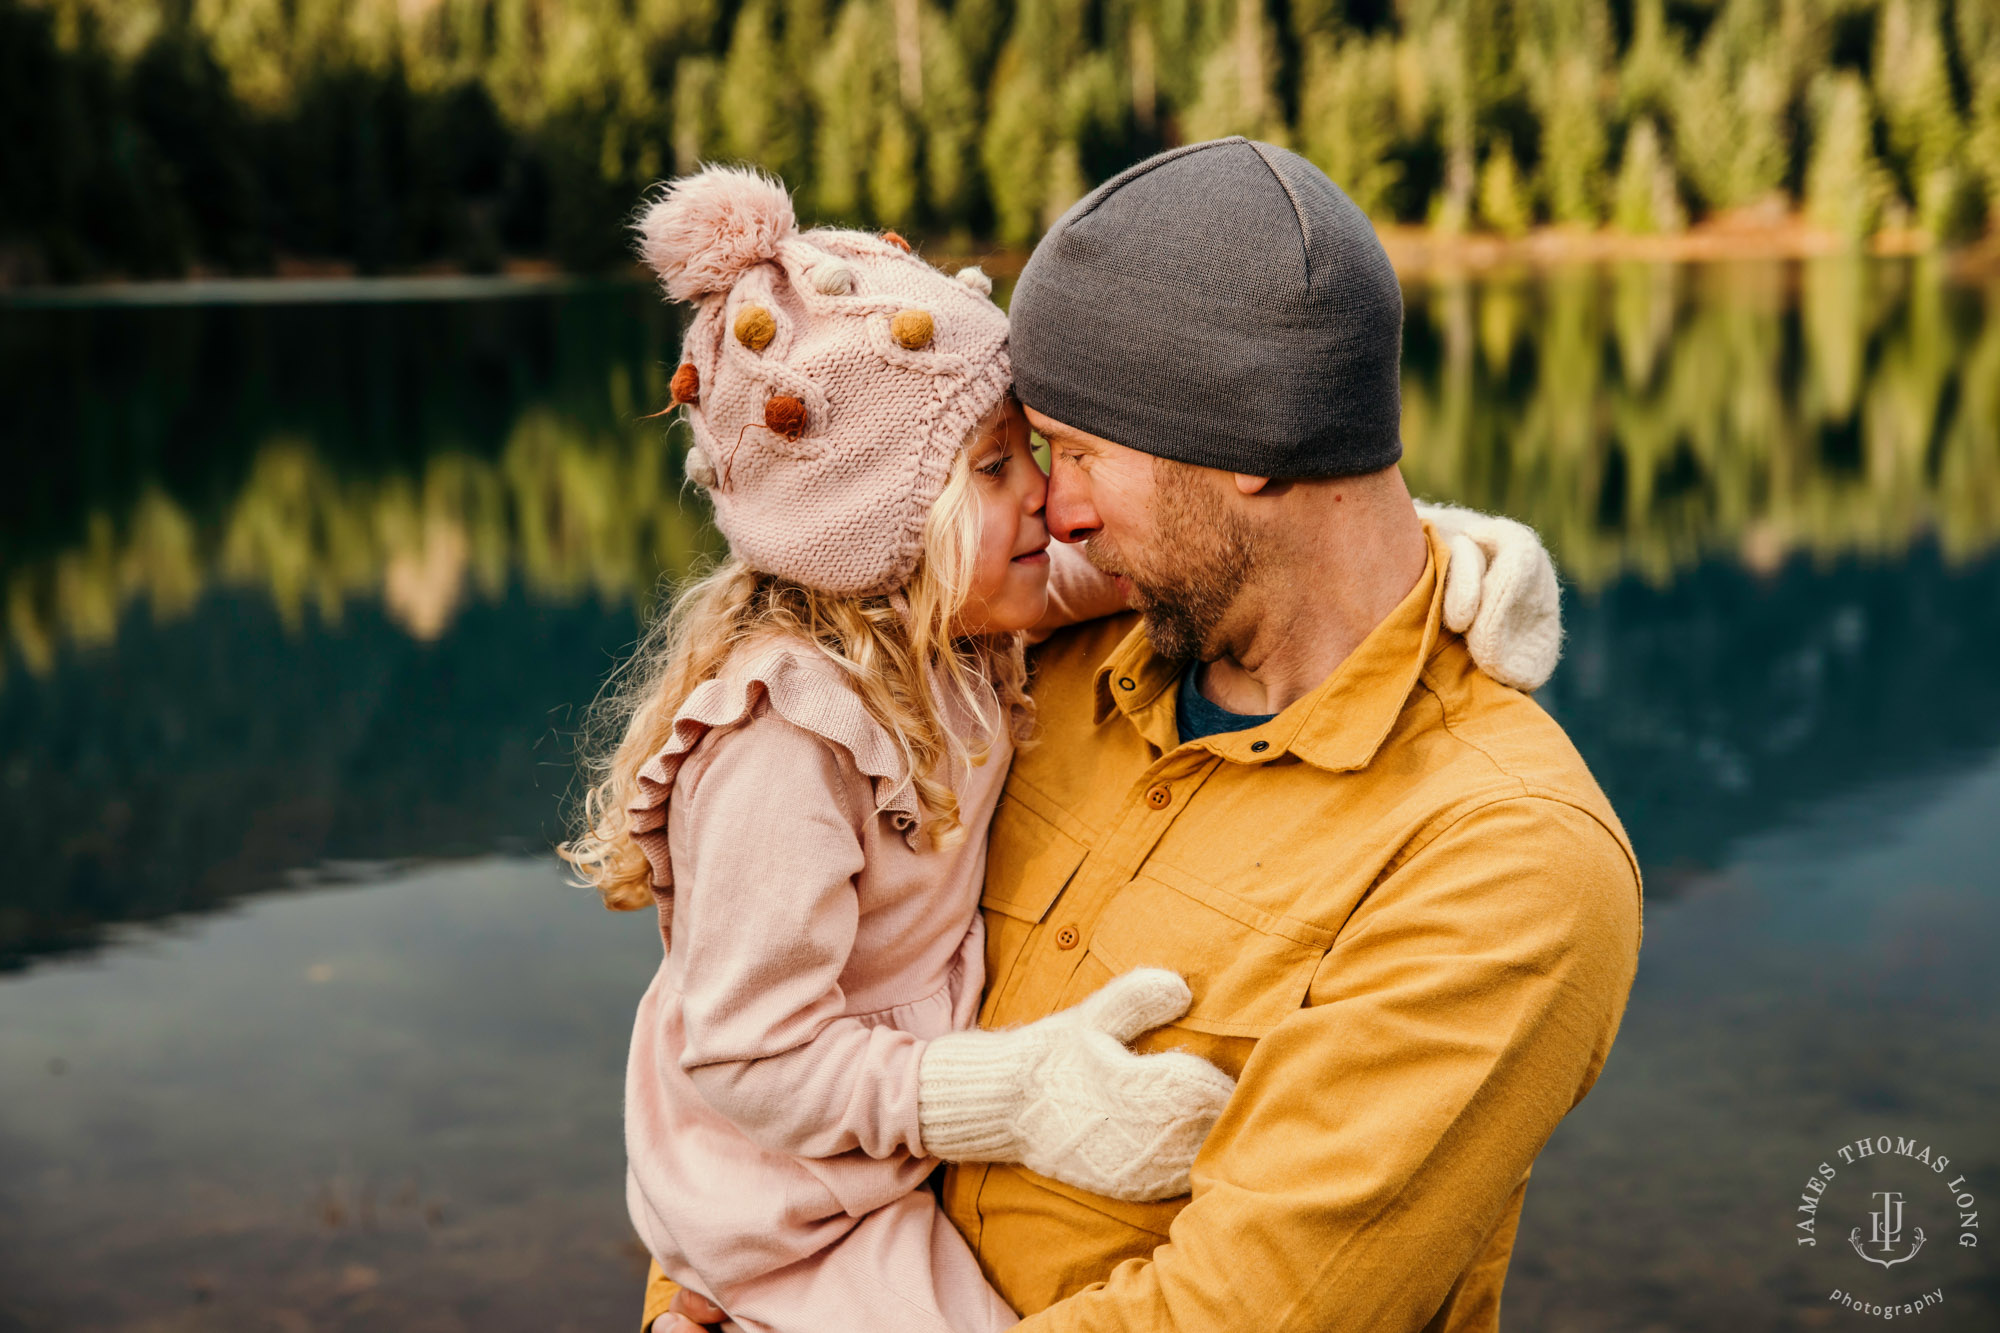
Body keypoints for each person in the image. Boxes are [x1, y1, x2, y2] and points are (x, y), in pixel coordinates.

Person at [641, 140, 1642, 1333]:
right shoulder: (1010, 656)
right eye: (1027, 456)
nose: (1054, 511)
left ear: (1246, 448)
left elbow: (1230, 1316)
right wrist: (689, 1296)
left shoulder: (1503, 860)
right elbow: (751, 1019)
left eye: (1076, 454)